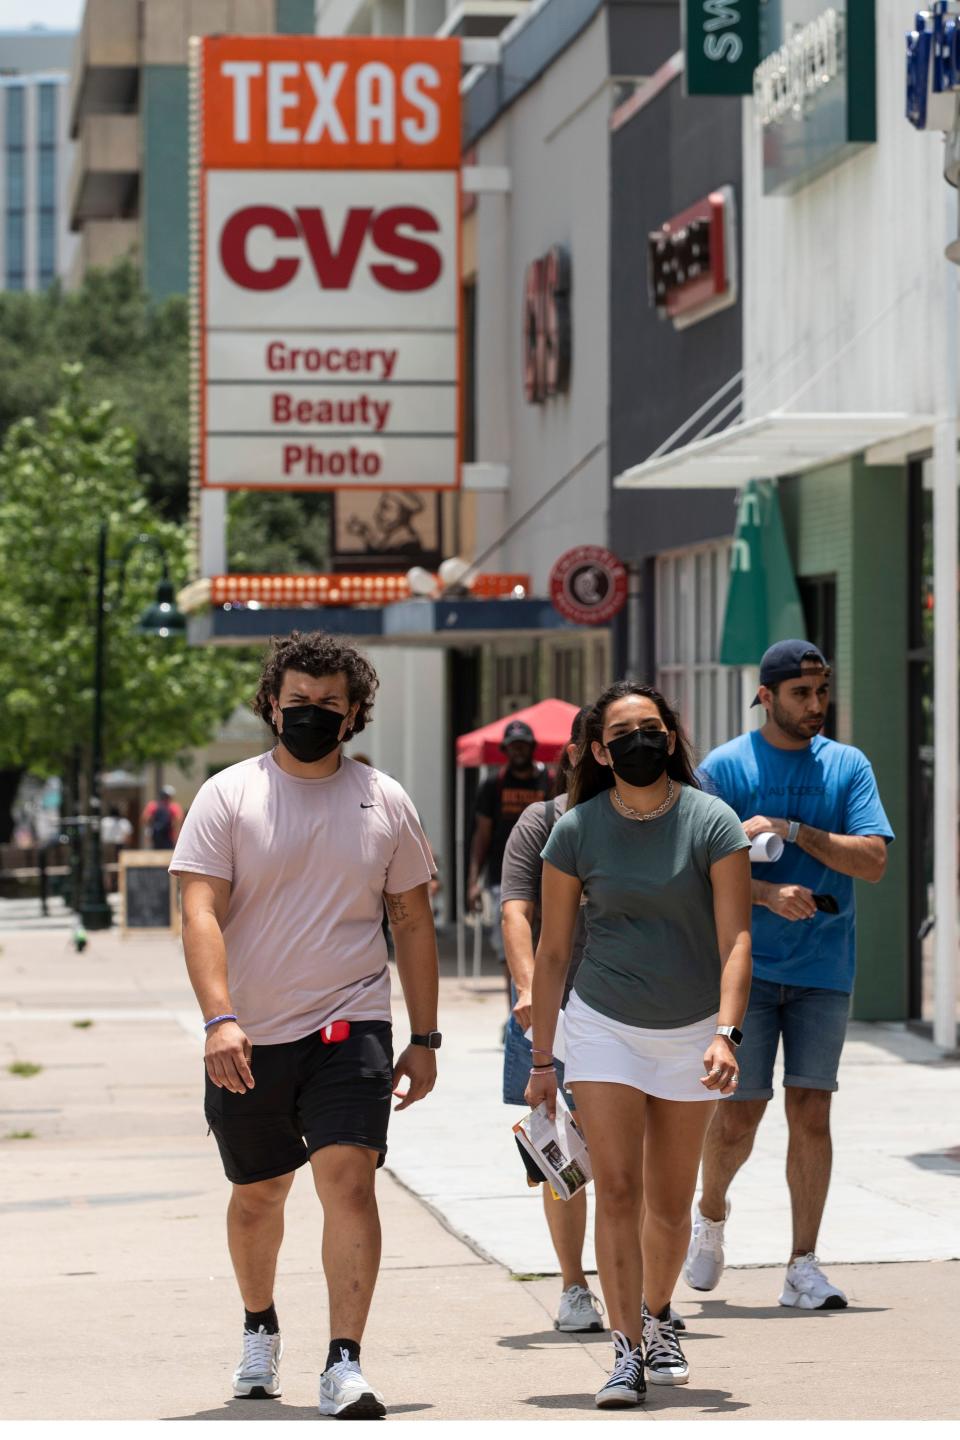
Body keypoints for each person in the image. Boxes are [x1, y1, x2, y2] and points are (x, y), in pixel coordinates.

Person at [170, 630, 440, 1420]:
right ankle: (260, 1330)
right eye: (298, 703)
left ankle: (344, 1363)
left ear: (355, 713)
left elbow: (413, 924)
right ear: (271, 704)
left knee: (350, 1178)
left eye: (329, 704)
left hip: (349, 1021)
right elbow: (200, 912)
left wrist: (423, 1039)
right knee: (260, 1192)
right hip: (248, 1033)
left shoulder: (383, 800)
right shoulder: (228, 796)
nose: (312, 715)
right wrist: (219, 1019)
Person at [526, 682, 751, 1408]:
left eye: (651, 729)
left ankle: (658, 1316)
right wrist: (541, 1061)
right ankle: (624, 1350)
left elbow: (736, 938)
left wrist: (725, 1031)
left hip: (691, 1030)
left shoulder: (712, 821)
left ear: (672, 737)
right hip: (604, 1024)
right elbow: (554, 952)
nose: (639, 742)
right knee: (616, 1190)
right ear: (599, 750)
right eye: (623, 733)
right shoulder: (576, 830)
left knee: (669, 1200)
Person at [684, 640, 892, 1311]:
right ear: (766, 696)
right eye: (801, 693)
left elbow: (873, 862)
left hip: (825, 966)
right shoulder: (725, 767)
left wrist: (796, 830)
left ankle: (803, 1264)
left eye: (822, 691)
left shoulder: (847, 766)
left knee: (813, 1110)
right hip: (745, 969)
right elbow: (696, 870)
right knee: (741, 1113)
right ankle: (710, 1217)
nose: (816, 705)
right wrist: (768, 894)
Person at [500, 708, 604, 1333]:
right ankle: (573, 1285)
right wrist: (526, 989)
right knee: (560, 1153)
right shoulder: (540, 822)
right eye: (594, 749)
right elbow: (517, 911)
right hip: (555, 1010)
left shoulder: (644, 821)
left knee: (627, 1154)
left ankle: (644, 1294)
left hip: (629, 1006)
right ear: (571, 755)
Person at [467, 719, 551, 975]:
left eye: (522, 746)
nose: (518, 751)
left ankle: (539, 1010)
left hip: (546, 875)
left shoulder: (551, 781)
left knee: (543, 944)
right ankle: (515, 1013)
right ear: (504, 749)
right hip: (502, 877)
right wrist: (473, 882)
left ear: (533, 747)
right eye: (513, 746)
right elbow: (482, 836)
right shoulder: (493, 786)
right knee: (510, 947)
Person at [142, 785, 183, 849]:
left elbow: (145, 819)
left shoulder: (153, 805)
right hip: (169, 836)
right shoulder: (174, 807)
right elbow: (178, 820)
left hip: (156, 836)